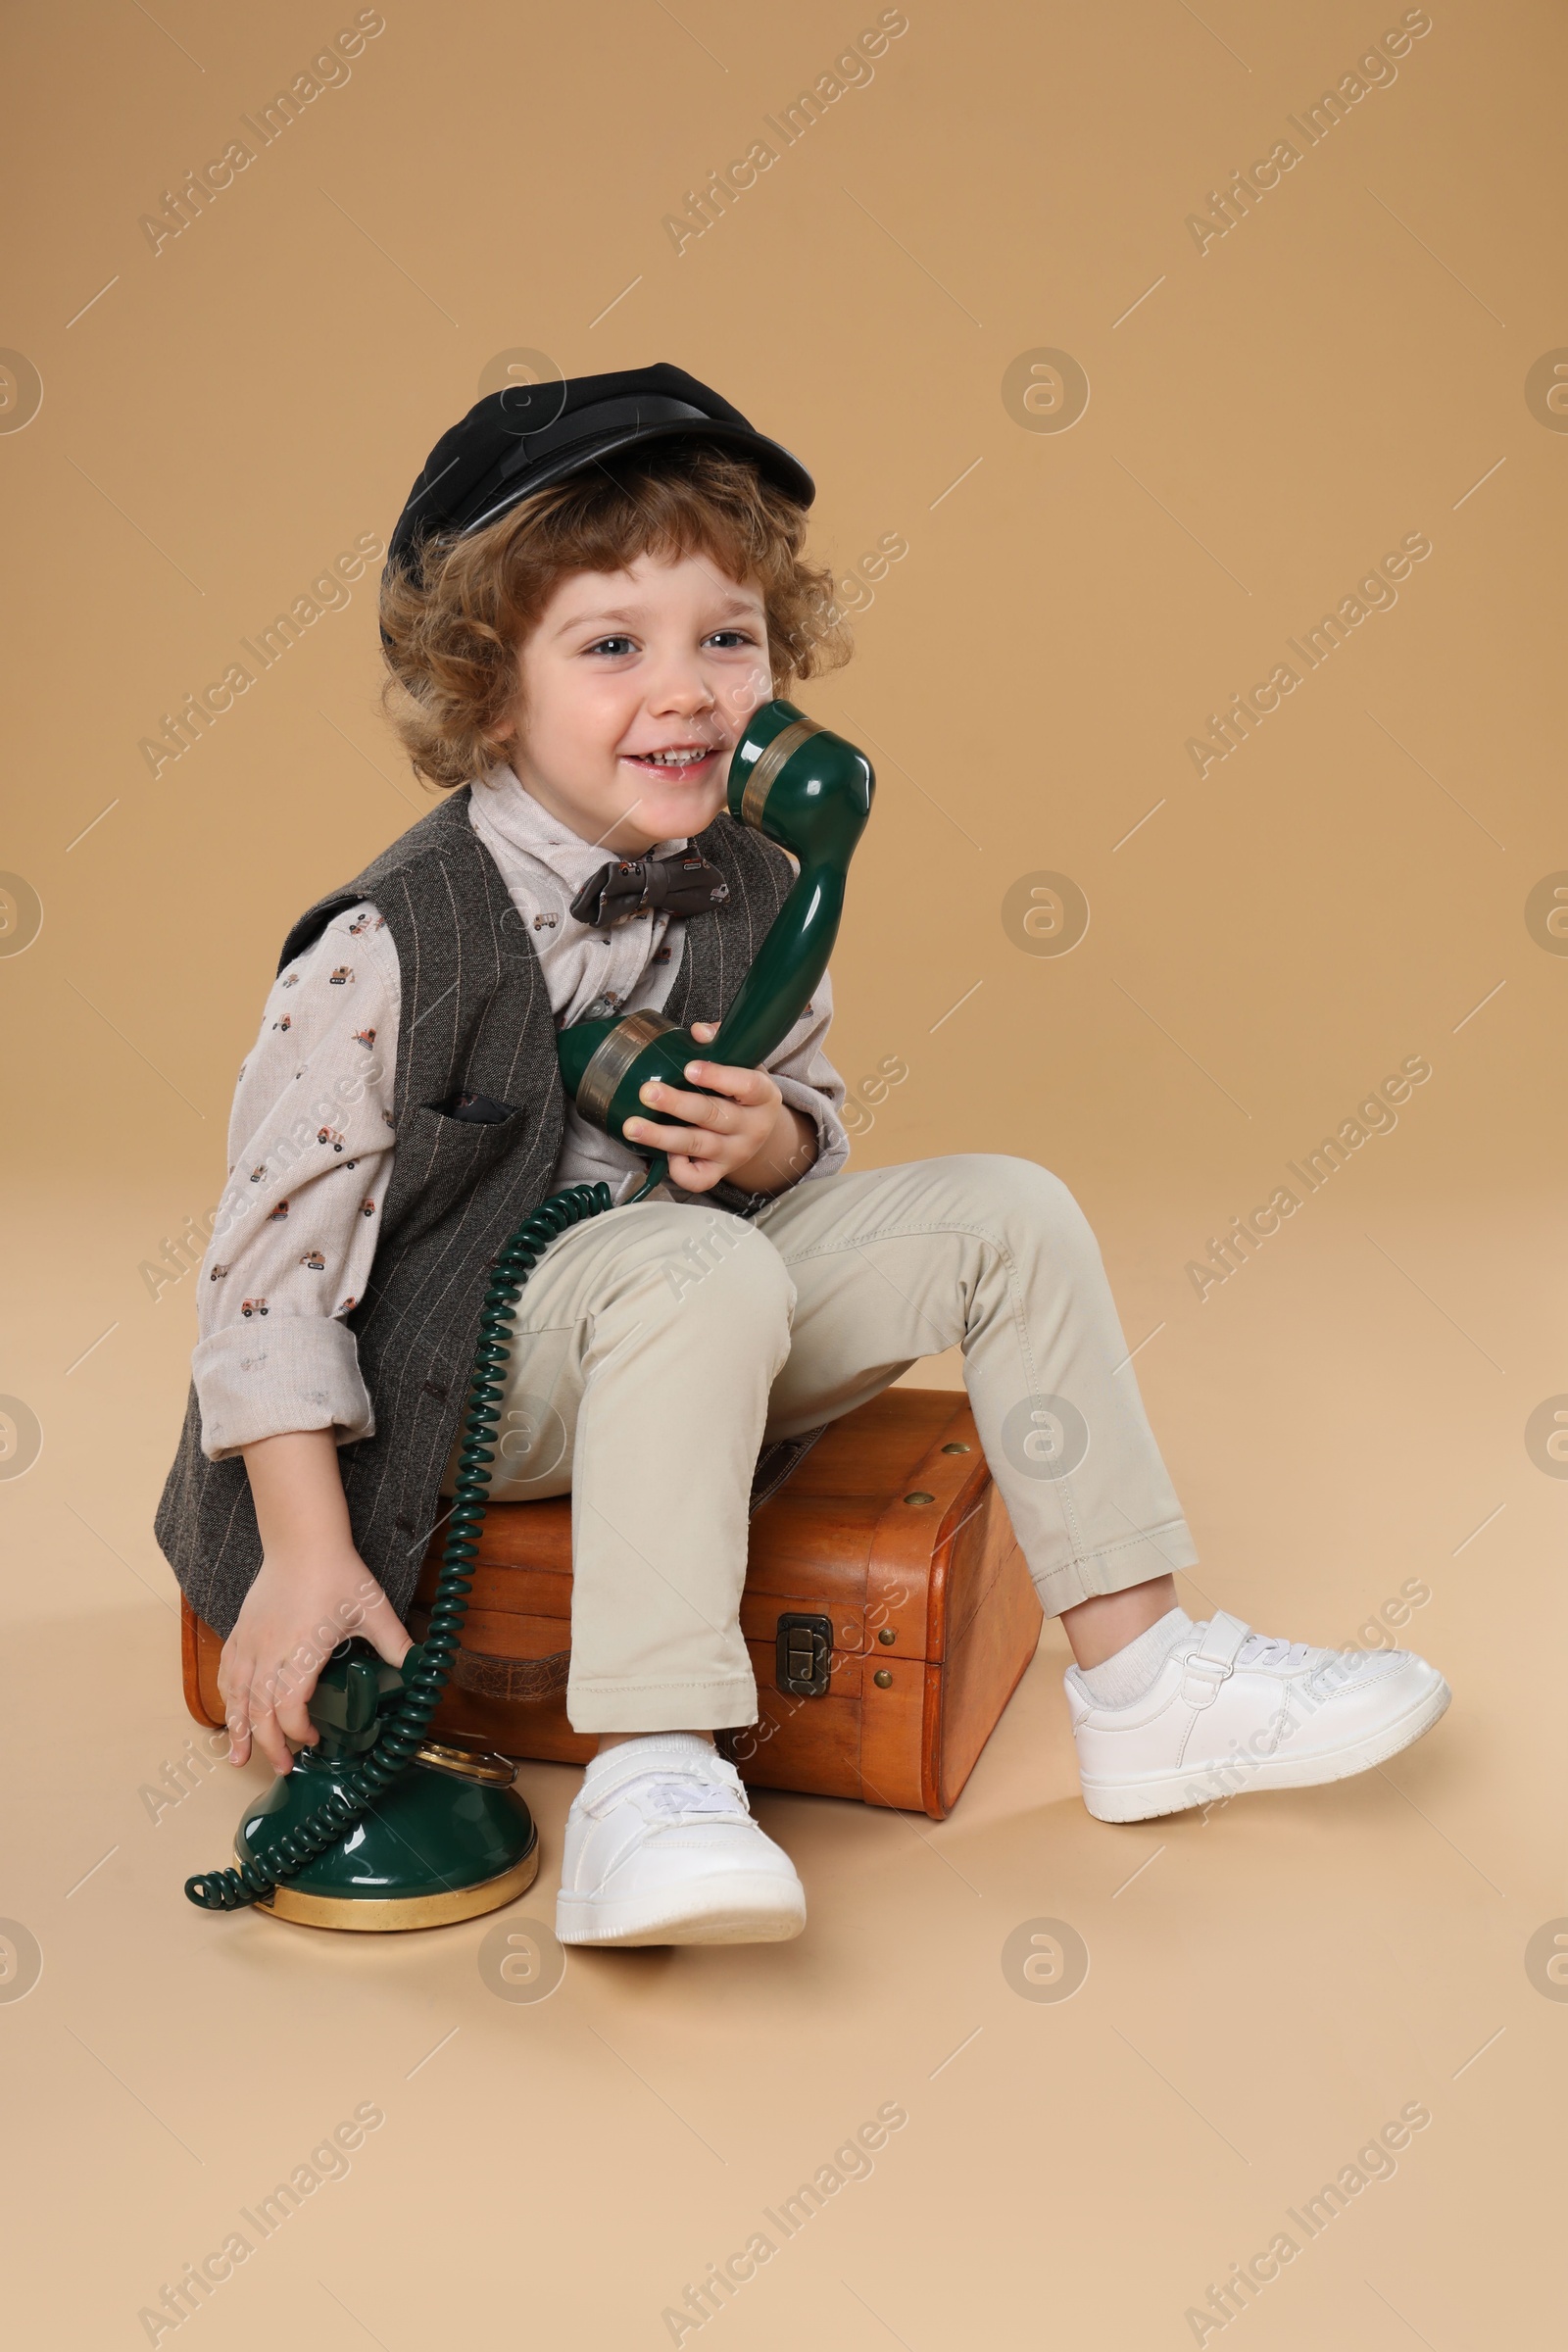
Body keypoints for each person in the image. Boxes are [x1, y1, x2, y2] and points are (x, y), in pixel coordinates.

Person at [155, 364, 1450, 1947]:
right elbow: (263, 1285)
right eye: (614, 646)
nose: (688, 688)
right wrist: (298, 1550)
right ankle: (655, 1773)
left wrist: (779, 1140)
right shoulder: (386, 945)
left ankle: (1146, 1676)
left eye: (729, 637)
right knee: (688, 1268)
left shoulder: (760, 880)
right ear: (491, 689)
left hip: (691, 1318)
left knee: (1006, 1213)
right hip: (447, 1400)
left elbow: (803, 1161)